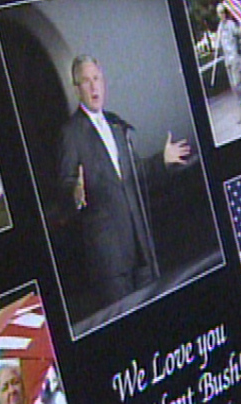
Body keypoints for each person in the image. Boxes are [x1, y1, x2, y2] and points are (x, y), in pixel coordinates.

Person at [57, 55, 190, 312]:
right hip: (109, 259)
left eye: (96, 79)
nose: (94, 87)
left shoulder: (116, 125)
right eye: (86, 82)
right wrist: (75, 192)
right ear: (77, 89)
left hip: (141, 247)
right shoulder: (71, 134)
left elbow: (135, 174)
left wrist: (162, 160)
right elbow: (65, 185)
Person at [215, 3, 241, 123]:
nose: (221, 15)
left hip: (235, 58)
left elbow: (240, 34)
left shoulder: (231, 24)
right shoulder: (220, 27)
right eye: (219, 13)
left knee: (238, 84)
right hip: (228, 61)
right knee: (234, 87)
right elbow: (219, 44)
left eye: (222, 12)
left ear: (225, 13)